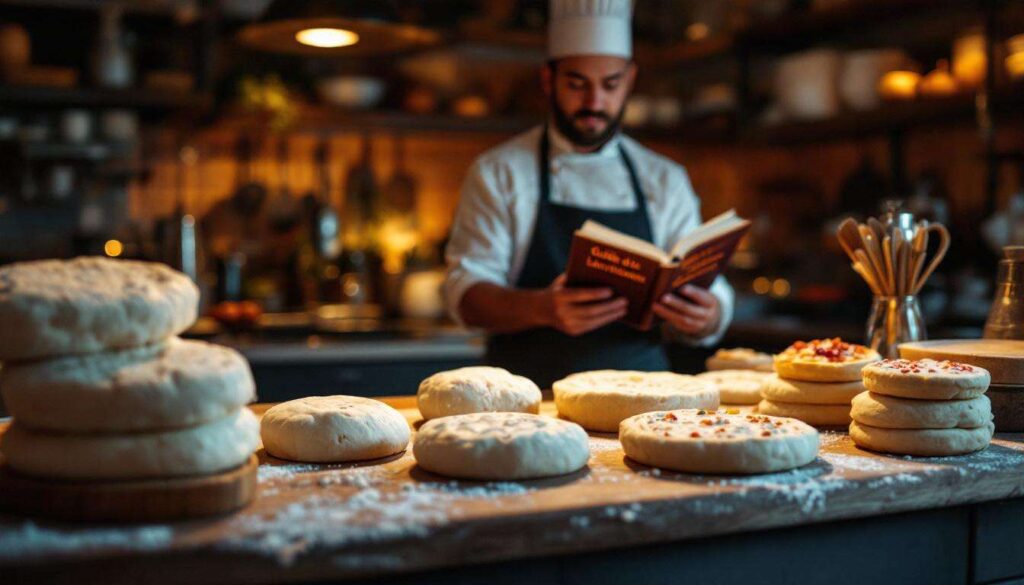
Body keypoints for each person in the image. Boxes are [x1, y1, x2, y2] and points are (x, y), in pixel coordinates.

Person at [443, 0, 734, 388]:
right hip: (529, 401)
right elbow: (465, 294)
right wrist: (541, 308)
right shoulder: (500, 171)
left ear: (629, 80)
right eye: (577, 84)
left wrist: (707, 317)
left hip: (644, 396)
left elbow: (710, 290)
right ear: (549, 80)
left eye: (610, 84)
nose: (594, 103)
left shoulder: (664, 179)